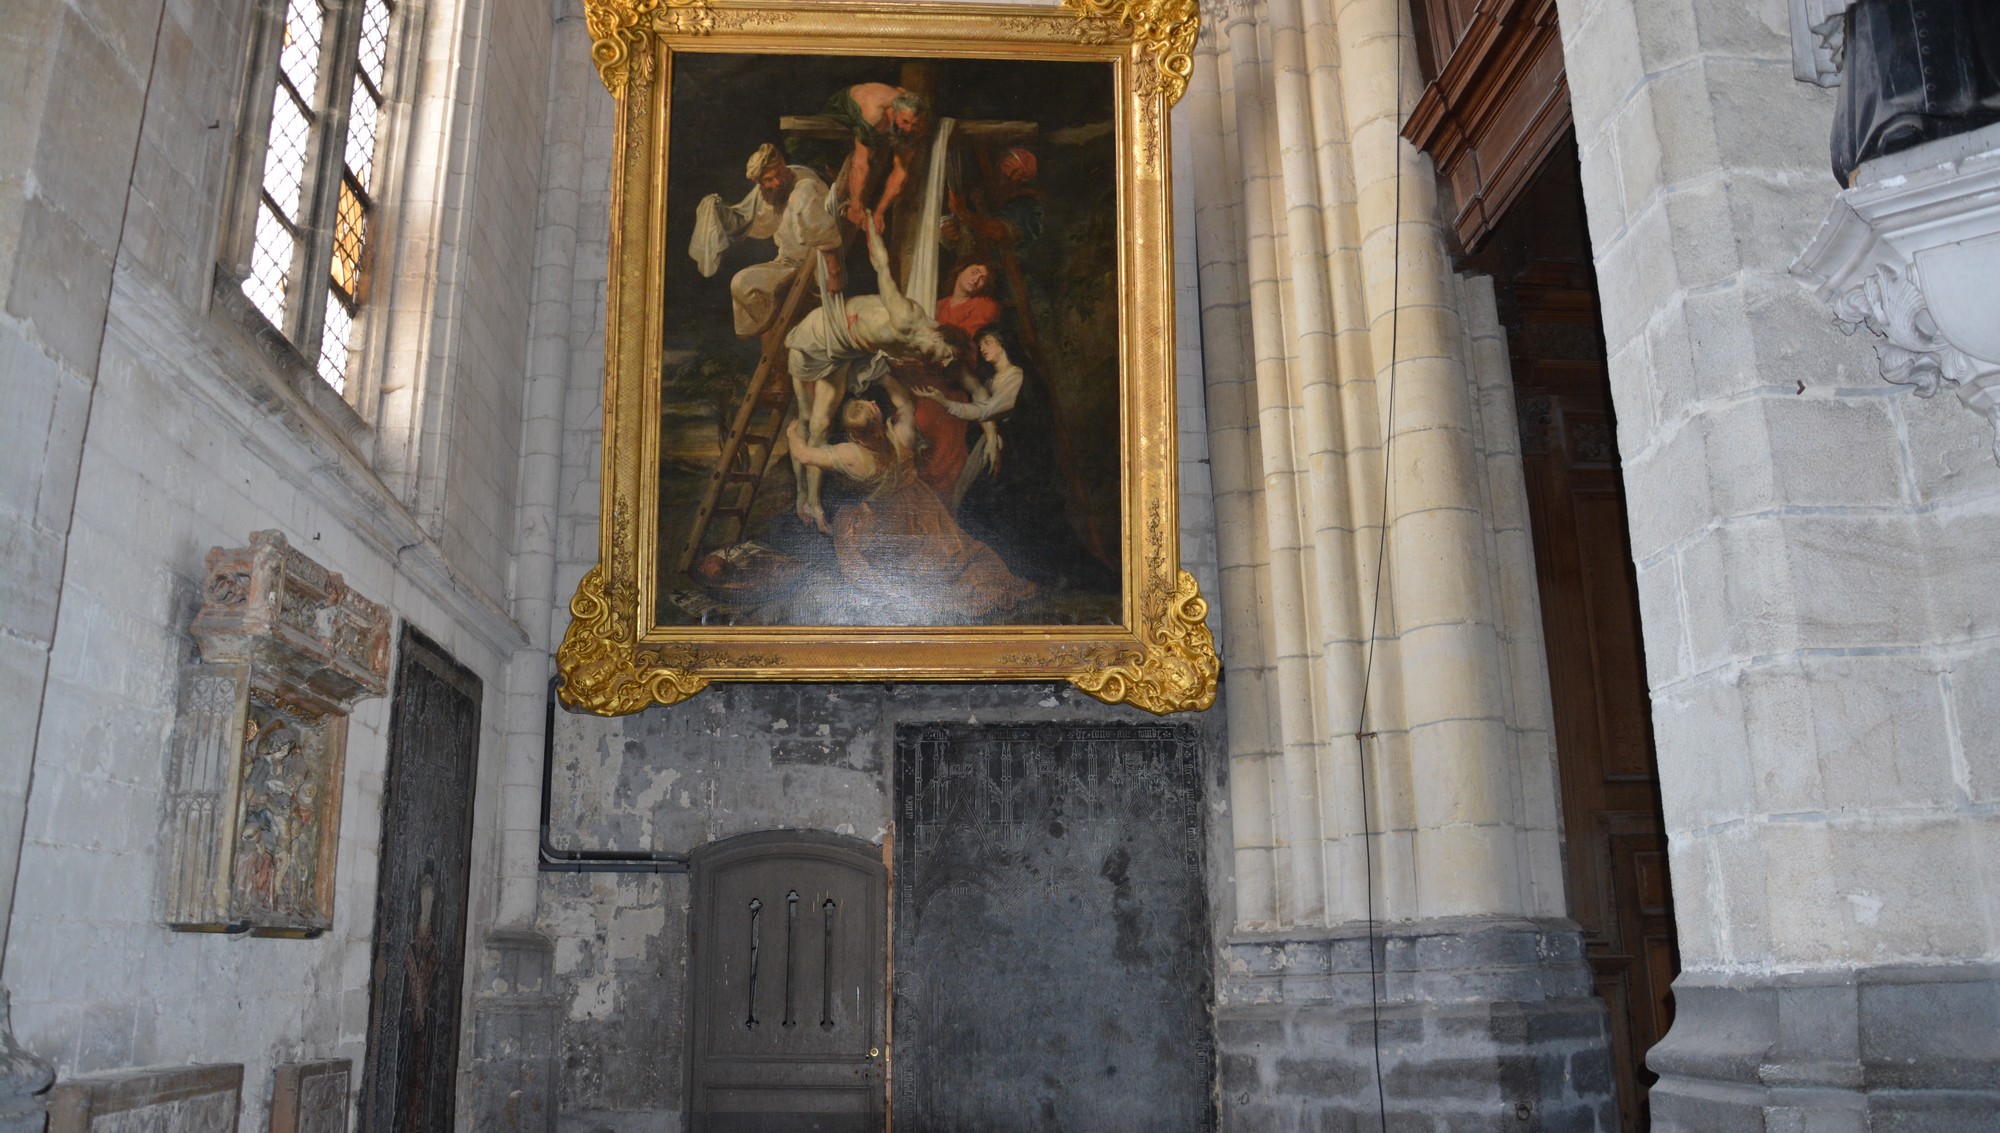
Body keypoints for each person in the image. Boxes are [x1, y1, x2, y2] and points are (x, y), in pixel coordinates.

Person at [784, 373, 1034, 623]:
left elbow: (803, 455)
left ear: (855, 436)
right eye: (870, 406)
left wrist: (792, 432)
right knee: (951, 553)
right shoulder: (901, 435)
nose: (873, 403)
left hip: (884, 516)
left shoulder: (851, 454)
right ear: (878, 418)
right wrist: (882, 375)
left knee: (867, 537)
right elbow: (904, 403)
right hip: (920, 504)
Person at [784, 214, 957, 532]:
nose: (938, 359)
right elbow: (882, 268)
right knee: (809, 421)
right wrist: (870, 227)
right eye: (943, 353)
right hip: (825, 334)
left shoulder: (919, 350)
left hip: (847, 352)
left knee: (820, 427)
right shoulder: (907, 317)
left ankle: (812, 501)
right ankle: (803, 497)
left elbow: (903, 397)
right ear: (938, 336)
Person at [688, 143, 842, 336]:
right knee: (741, 283)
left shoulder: (804, 189)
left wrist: (834, 273)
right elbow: (757, 222)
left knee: (750, 288)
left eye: (778, 174)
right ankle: (775, 330)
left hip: (813, 267)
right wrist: (721, 213)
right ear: (757, 181)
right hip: (786, 263)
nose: (776, 182)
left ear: (783, 163)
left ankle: (784, 330)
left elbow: (825, 236)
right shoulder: (772, 191)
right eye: (768, 180)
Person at [915, 328, 1023, 505]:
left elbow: (981, 400)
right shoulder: (911, 336)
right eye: (947, 354)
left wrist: (991, 437)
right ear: (938, 337)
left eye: (949, 357)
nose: (945, 363)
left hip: (949, 424)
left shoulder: (1010, 375)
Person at [821, 82, 931, 230]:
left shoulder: (912, 123)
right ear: (894, 112)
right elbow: (860, 164)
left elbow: (901, 171)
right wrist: (855, 206)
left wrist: (880, 212)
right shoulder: (874, 116)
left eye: (914, 124)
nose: (908, 129)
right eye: (905, 122)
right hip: (840, 107)